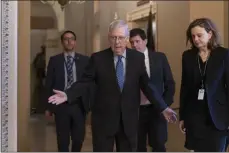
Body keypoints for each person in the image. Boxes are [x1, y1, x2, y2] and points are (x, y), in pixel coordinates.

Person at [48, 20, 177, 152]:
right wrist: (68, 94)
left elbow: (147, 85)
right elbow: (84, 82)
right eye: (113, 37)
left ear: (127, 39)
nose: (117, 42)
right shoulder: (98, 59)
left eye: (120, 38)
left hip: (128, 122)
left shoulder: (137, 58)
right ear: (109, 38)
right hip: (103, 122)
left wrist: (163, 107)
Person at [179, 18, 229, 152]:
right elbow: (185, 87)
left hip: (218, 116)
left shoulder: (223, 54)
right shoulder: (188, 56)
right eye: (193, 36)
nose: (195, 39)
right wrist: (182, 116)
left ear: (210, 34)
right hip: (195, 115)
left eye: (199, 35)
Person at [129, 28, 175, 152]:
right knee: (138, 146)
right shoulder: (128, 61)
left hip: (157, 110)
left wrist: (164, 105)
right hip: (137, 111)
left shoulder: (159, 58)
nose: (134, 45)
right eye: (132, 42)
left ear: (145, 41)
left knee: (159, 144)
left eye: (137, 41)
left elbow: (169, 83)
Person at [45, 30, 90, 152]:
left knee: (78, 138)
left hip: (79, 104)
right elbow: (49, 83)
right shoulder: (55, 60)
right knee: (62, 139)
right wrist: (49, 107)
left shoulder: (85, 60)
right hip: (61, 105)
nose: (69, 41)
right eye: (66, 39)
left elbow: (89, 83)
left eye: (72, 39)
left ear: (75, 42)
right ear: (62, 42)